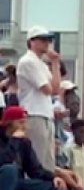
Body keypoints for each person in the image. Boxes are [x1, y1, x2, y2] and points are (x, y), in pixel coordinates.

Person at [0, 106, 66, 190]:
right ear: (9, 123)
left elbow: (35, 170)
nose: (24, 127)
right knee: (10, 169)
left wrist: (53, 178)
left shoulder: (24, 142)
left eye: (25, 122)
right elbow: (4, 161)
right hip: (3, 180)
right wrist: (14, 141)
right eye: (20, 122)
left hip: (18, 183)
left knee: (54, 187)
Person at [15, 26, 62, 171]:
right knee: (37, 157)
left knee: (48, 160)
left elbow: (56, 88)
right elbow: (47, 89)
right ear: (32, 41)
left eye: (48, 40)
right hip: (33, 113)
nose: (47, 43)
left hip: (45, 114)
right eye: (42, 39)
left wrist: (55, 63)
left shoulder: (41, 64)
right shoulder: (28, 61)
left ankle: (46, 188)